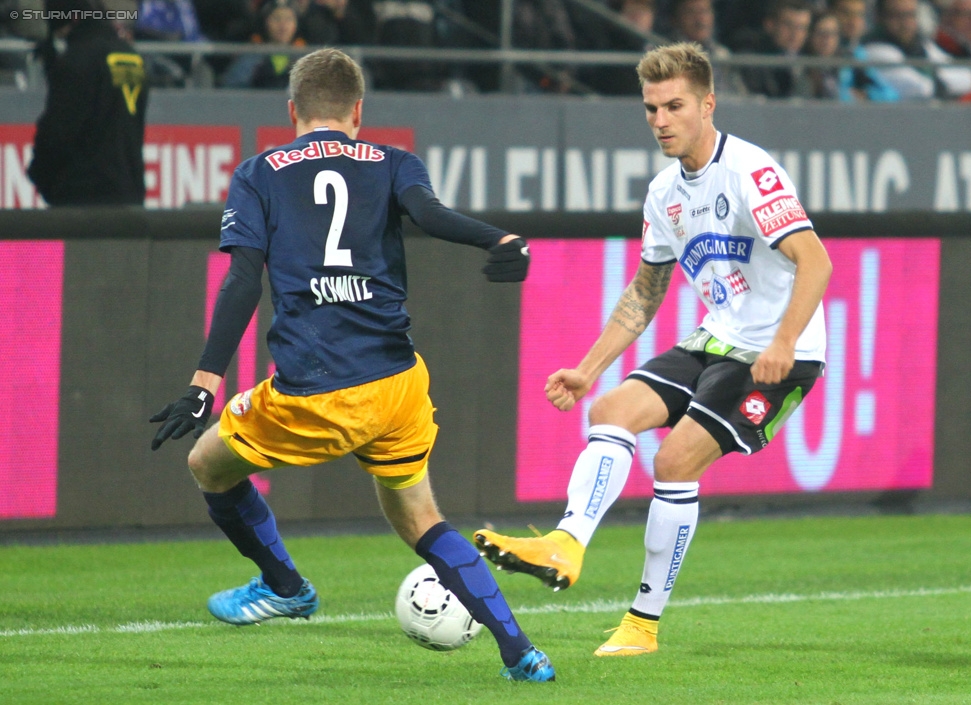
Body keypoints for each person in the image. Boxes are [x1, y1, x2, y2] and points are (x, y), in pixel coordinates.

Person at [149, 47, 553, 683]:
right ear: (358, 112)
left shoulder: (260, 172)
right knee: (421, 517)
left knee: (207, 462)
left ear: (293, 111)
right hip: (397, 383)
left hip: (316, 388)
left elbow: (242, 280)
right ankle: (521, 652)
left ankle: (285, 587)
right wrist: (498, 237)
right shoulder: (393, 161)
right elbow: (429, 215)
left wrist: (205, 381)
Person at [475, 41, 832, 657]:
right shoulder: (665, 192)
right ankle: (565, 542)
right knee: (608, 412)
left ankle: (642, 625)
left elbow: (816, 262)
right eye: (651, 109)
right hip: (717, 337)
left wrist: (781, 341)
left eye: (674, 106)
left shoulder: (750, 171)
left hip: (780, 353)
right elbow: (646, 291)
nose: (660, 121)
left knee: (673, 463)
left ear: (707, 104)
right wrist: (589, 369)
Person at [27, 0, 148, 206]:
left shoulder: (77, 60)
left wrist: (40, 174)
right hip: (130, 195)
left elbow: (58, 133)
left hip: (82, 198)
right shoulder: (133, 58)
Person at [862, 0, 971, 99]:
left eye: (910, 14)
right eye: (896, 15)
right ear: (879, 18)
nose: (905, 22)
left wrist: (939, 80)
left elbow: (966, 75)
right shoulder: (875, 49)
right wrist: (939, 82)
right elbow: (921, 89)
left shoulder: (921, 44)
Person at [221, 0, 306, 89]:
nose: (283, 25)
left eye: (289, 19)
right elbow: (233, 87)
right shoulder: (252, 56)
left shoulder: (303, 58)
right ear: (265, 22)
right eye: (277, 18)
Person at [827, 0, 900, 101]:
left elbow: (891, 95)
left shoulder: (858, 53)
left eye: (859, 14)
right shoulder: (825, 51)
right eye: (846, 13)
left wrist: (868, 95)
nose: (853, 21)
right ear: (832, 14)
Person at [738, 0, 813, 99]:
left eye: (801, 27)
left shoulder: (813, 63)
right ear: (770, 25)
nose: (795, 33)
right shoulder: (752, 61)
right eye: (788, 24)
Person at [668, 0, 745, 94]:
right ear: (675, 19)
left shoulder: (722, 54)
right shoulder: (667, 55)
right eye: (691, 12)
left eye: (704, 11)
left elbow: (740, 94)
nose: (700, 19)